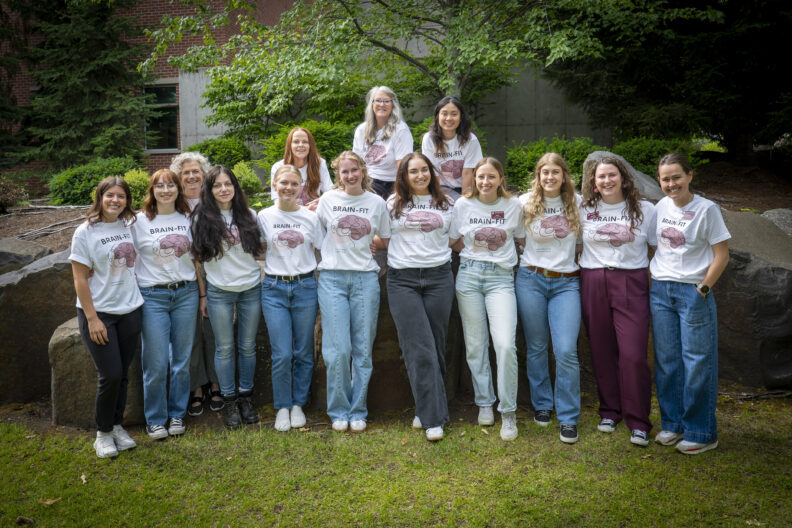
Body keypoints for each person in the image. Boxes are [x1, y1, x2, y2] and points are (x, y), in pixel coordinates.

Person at [649, 152, 730, 455]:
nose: (671, 184)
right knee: (667, 362)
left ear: (689, 176)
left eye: (676, 177)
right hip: (661, 290)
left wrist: (703, 289)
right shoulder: (660, 206)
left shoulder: (707, 209)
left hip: (693, 292)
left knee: (697, 362)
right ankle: (673, 424)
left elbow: (722, 254)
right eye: (665, 179)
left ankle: (702, 431)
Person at [579, 157, 655, 447]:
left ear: (624, 179)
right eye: (601, 177)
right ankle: (610, 411)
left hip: (630, 281)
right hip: (594, 280)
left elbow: (659, 247)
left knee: (633, 354)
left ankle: (638, 420)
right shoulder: (585, 208)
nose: (606, 181)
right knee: (601, 349)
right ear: (594, 184)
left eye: (612, 175)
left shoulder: (645, 210)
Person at [450, 157, 525, 441]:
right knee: (475, 344)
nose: (485, 182)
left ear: (500, 178)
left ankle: (508, 411)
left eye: (491, 177)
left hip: (501, 279)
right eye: (480, 177)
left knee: (505, 344)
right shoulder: (463, 205)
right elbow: (454, 239)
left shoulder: (513, 206)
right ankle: (484, 402)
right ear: (473, 179)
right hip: (468, 276)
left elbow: (521, 238)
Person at [316, 151, 391, 433]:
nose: (350, 176)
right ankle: (338, 410)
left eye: (354, 170)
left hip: (364, 279)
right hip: (332, 278)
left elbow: (384, 238)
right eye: (344, 172)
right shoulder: (328, 200)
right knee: (337, 351)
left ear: (363, 171)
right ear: (338, 174)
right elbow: (317, 233)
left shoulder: (376, 202)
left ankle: (358, 409)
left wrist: (371, 241)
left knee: (362, 348)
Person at [69, 177, 143, 458]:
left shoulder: (128, 225)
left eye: (121, 196)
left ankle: (117, 425)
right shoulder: (85, 232)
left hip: (130, 310)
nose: (115, 200)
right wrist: (92, 318)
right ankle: (102, 434)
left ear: (127, 200)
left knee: (122, 375)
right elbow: (79, 278)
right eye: (110, 195)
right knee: (110, 375)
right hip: (101, 314)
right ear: (100, 197)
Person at [384, 152, 454, 441]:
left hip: (439, 277)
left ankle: (426, 407)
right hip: (403, 280)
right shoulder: (392, 204)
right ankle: (434, 418)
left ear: (431, 172)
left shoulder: (448, 203)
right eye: (413, 171)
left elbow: (455, 238)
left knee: (435, 345)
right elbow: (383, 237)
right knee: (418, 346)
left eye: (424, 170)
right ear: (404, 176)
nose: (420, 175)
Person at [515, 153, 583, 444]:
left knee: (566, 349)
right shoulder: (524, 202)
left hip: (566, 283)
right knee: (537, 346)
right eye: (545, 173)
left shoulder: (577, 202)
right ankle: (543, 404)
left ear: (565, 175)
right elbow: (518, 238)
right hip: (531, 279)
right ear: (538, 176)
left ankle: (568, 417)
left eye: (556, 172)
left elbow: (581, 243)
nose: (551, 177)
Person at [191, 166, 265, 429]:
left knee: (247, 346)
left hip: (250, 289)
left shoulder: (250, 215)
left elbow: (260, 253)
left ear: (235, 186)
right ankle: (229, 400)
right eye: (217, 185)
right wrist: (203, 296)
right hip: (219, 291)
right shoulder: (201, 219)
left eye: (228, 184)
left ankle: (246, 397)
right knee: (224, 348)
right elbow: (198, 261)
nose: (224, 189)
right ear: (209, 191)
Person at [130, 169, 198, 440]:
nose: (166, 190)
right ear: (152, 191)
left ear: (178, 189)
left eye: (171, 185)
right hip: (153, 296)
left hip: (186, 293)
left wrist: (202, 295)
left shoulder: (188, 218)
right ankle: (156, 419)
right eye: (160, 186)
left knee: (181, 360)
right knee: (156, 362)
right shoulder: (138, 221)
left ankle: (177, 414)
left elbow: (197, 259)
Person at [258, 165, 324, 431]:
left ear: (301, 187)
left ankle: (298, 403)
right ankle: (282, 406)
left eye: (294, 184)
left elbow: (324, 247)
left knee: (304, 350)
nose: (288, 188)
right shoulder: (264, 216)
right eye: (283, 183)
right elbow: (256, 248)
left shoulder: (310, 217)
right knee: (283, 353)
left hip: (305, 286)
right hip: (273, 288)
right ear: (274, 184)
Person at [170, 152, 223, 416]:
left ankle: (216, 383)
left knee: (213, 333)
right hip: (187, 282)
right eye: (185, 173)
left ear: (204, 175)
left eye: (196, 172)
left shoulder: (213, 203)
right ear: (179, 179)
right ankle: (197, 387)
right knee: (190, 336)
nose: (191, 176)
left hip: (216, 280)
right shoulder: (173, 207)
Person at [352, 86, 413, 199]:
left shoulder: (400, 129)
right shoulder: (362, 130)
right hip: (366, 181)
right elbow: (356, 162)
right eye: (378, 100)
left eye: (386, 101)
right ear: (372, 103)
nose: (382, 104)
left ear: (392, 105)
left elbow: (403, 165)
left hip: (391, 183)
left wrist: (399, 192)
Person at [420, 96, 483, 196]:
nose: (449, 118)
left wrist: (464, 201)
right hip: (438, 188)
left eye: (454, 114)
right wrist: (438, 197)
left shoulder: (471, 140)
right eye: (444, 114)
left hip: (463, 188)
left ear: (461, 117)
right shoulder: (429, 139)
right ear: (437, 116)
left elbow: (468, 173)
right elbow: (433, 172)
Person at [270, 127, 334, 211]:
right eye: (296, 142)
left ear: (310, 145)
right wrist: (302, 211)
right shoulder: (278, 167)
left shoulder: (319, 164)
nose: (301, 145)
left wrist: (320, 201)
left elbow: (330, 192)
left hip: (313, 214)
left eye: (305, 142)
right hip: (289, 214)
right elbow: (277, 200)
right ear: (290, 145)